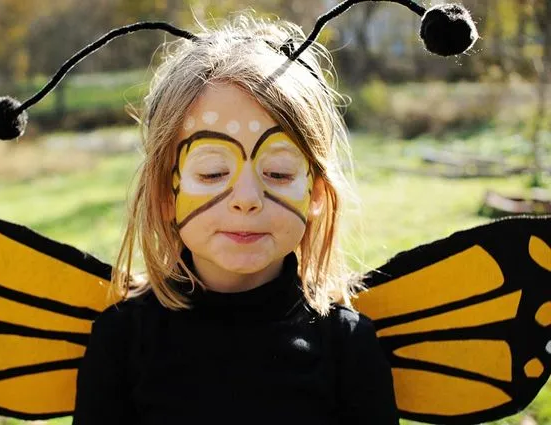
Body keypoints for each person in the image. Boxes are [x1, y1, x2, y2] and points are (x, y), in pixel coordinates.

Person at [71, 14, 399, 425]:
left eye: (278, 173)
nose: (247, 199)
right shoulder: (121, 342)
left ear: (315, 193)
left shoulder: (348, 348)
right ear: (164, 194)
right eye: (212, 173)